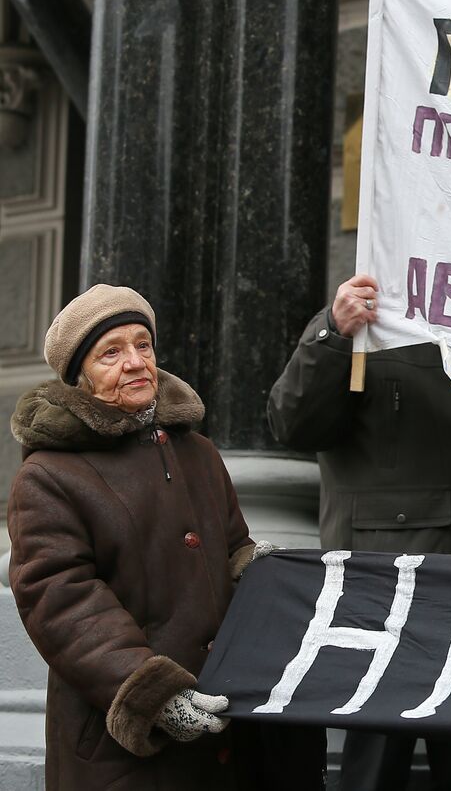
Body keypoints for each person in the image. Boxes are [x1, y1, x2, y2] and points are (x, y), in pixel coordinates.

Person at [267, 273, 451, 791]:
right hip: (386, 593)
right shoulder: (365, 317)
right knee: (376, 760)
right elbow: (292, 423)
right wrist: (333, 331)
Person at [7, 285, 270, 790]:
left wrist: (261, 569)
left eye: (142, 345)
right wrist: (155, 694)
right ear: (79, 376)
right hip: (122, 749)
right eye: (112, 352)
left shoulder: (199, 453)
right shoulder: (49, 475)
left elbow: (234, 548)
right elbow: (60, 599)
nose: (134, 362)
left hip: (226, 733)